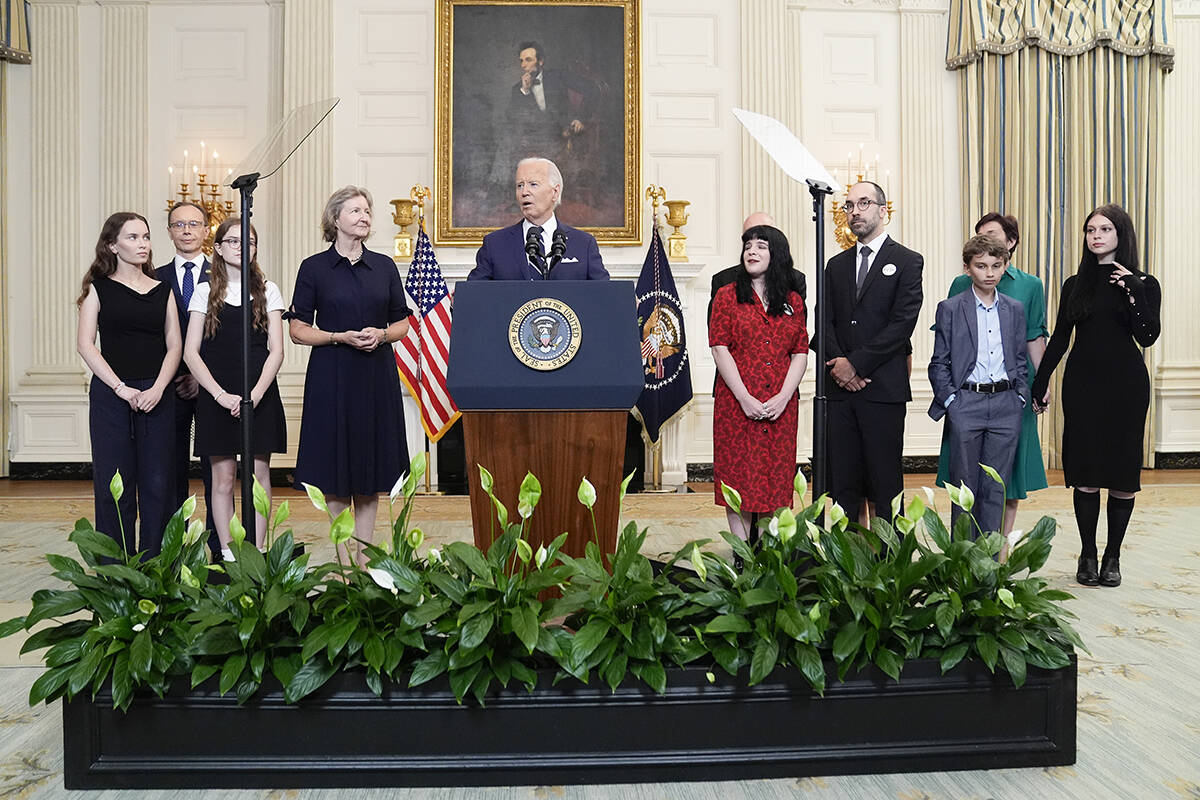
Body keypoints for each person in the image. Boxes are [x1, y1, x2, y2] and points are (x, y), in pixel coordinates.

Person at [1032, 204, 1161, 588]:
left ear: (1121, 234)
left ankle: (1112, 555)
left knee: (1122, 474)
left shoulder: (1144, 282)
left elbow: (1148, 336)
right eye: (1091, 230)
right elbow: (1059, 338)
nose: (1096, 236)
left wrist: (1135, 293)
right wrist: (1040, 382)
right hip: (1083, 386)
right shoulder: (1076, 284)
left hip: (1126, 387)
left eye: (1105, 229)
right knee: (1085, 474)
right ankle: (1088, 553)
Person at [287, 186, 412, 562]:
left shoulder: (385, 266)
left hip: (376, 376)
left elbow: (402, 323)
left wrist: (383, 334)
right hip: (332, 375)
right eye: (355, 210)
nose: (364, 216)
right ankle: (345, 561)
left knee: (371, 470)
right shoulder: (313, 268)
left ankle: (364, 557)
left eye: (367, 211)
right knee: (336, 469)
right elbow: (297, 329)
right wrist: (337, 337)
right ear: (335, 218)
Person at [933, 213, 1048, 542]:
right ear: (968, 267)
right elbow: (940, 361)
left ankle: (989, 567)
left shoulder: (1015, 307)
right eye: (982, 266)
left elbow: (1019, 358)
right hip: (966, 402)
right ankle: (962, 564)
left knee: (996, 487)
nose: (989, 273)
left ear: (1004, 265)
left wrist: (1020, 396)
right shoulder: (951, 307)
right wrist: (952, 400)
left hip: (1005, 404)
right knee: (964, 487)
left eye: (996, 266)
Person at [76, 212, 182, 557]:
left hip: (157, 396)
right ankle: (115, 572)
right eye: (133, 237)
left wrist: (157, 389)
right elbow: (85, 344)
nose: (143, 244)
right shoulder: (98, 287)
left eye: (146, 237)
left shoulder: (162, 289)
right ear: (112, 245)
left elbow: (175, 344)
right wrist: (121, 389)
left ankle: (156, 568)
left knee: (157, 485)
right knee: (113, 487)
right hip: (112, 396)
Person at [820, 181, 923, 523]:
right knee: (843, 487)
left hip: (882, 390)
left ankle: (891, 567)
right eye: (849, 205)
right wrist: (840, 367)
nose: (855, 211)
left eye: (864, 203)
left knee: (885, 486)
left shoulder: (907, 261)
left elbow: (901, 325)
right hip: (839, 392)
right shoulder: (835, 265)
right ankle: (845, 568)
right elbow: (825, 321)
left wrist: (856, 365)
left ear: (883, 210)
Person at [183, 218, 287, 559]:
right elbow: (191, 352)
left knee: (258, 475)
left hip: (259, 393)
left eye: (249, 242)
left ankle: (257, 549)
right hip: (217, 395)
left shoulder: (268, 290)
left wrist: (254, 395)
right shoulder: (204, 291)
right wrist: (219, 395)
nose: (242, 247)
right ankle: (229, 553)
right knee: (223, 477)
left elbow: (276, 350)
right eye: (233, 241)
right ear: (218, 247)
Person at [710, 225, 809, 568]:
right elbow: (720, 348)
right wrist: (744, 398)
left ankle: (767, 554)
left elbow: (800, 352)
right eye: (747, 246)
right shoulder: (726, 295)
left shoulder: (793, 301)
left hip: (781, 405)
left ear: (776, 253)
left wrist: (784, 395)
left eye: (761, 246)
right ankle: (741, 555)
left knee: (773, 479)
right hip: (735, 405)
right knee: (738, 478)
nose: (751, 251)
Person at [157, 201, 218, 558]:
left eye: (194, 224)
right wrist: (174, 376)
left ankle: (218, 548)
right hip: (167, 388)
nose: (186, 231)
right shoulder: (153, 275)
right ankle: (174, 552)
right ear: (169, 231)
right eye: (178, 225)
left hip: (211, 387)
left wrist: (200, 377)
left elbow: (226, 338)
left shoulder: (226, 274)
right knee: (168, 471)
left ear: (206, 230)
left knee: (217, 474)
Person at [469, 157, 608, 282]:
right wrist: (457, 299)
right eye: (520, 185)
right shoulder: (495, 244)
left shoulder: (584, 244)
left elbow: (605, 296)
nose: (524, 192)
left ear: (555, 192)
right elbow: (474, 296)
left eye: (533, 184)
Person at [708, 212, 806, 323]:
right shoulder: (723, 283)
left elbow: (800, 332)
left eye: (761, 243)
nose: (752, 251)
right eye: (749, 242)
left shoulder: (795, 281)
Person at [505, 41, 590, 164]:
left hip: (563, 136)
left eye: (528, 60)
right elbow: (511, 118)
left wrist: (581, 118)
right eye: (521, 61)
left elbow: (591, 89)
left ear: (540, 61)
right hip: (534, 142)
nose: (523, 65)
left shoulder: (559, 76)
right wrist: (525, 91)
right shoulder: (518, 89)